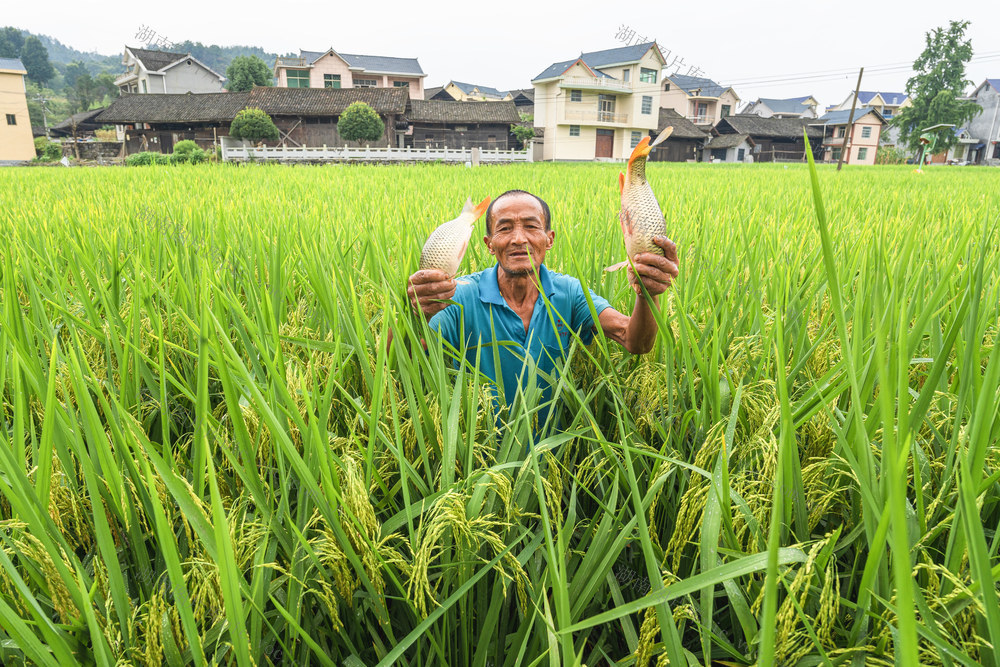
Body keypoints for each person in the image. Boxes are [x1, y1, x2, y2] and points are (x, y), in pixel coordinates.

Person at [406, 189, 678, 431]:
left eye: (531, 227)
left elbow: (635, 341)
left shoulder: (569, 293)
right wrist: (416, 312)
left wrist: (648, 293)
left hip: (554, 458)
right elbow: (403, 359)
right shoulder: (460, 295)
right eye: (504, 229)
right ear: (490, 244)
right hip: (478, 457)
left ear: (549, 239)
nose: (518, 239)